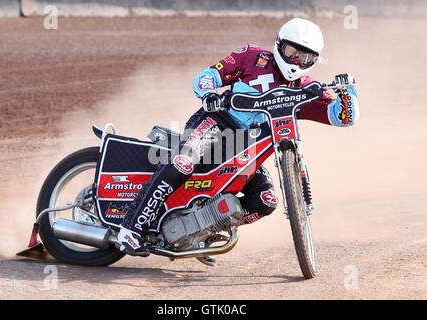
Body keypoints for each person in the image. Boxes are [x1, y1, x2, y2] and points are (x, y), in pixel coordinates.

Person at [115, 18, 359, 256]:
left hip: (247, 147)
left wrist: (348, 91)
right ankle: (131, 227)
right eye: (292, 51)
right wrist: (209, 93)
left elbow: (342, 117)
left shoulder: (305, 88)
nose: (297, 61)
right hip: (217, 123)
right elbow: (208, 75)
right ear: (279, 44)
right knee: (183, 162)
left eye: (306, 57)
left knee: (266, 200)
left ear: (315, 60)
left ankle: (202, 230)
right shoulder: (252, 56)